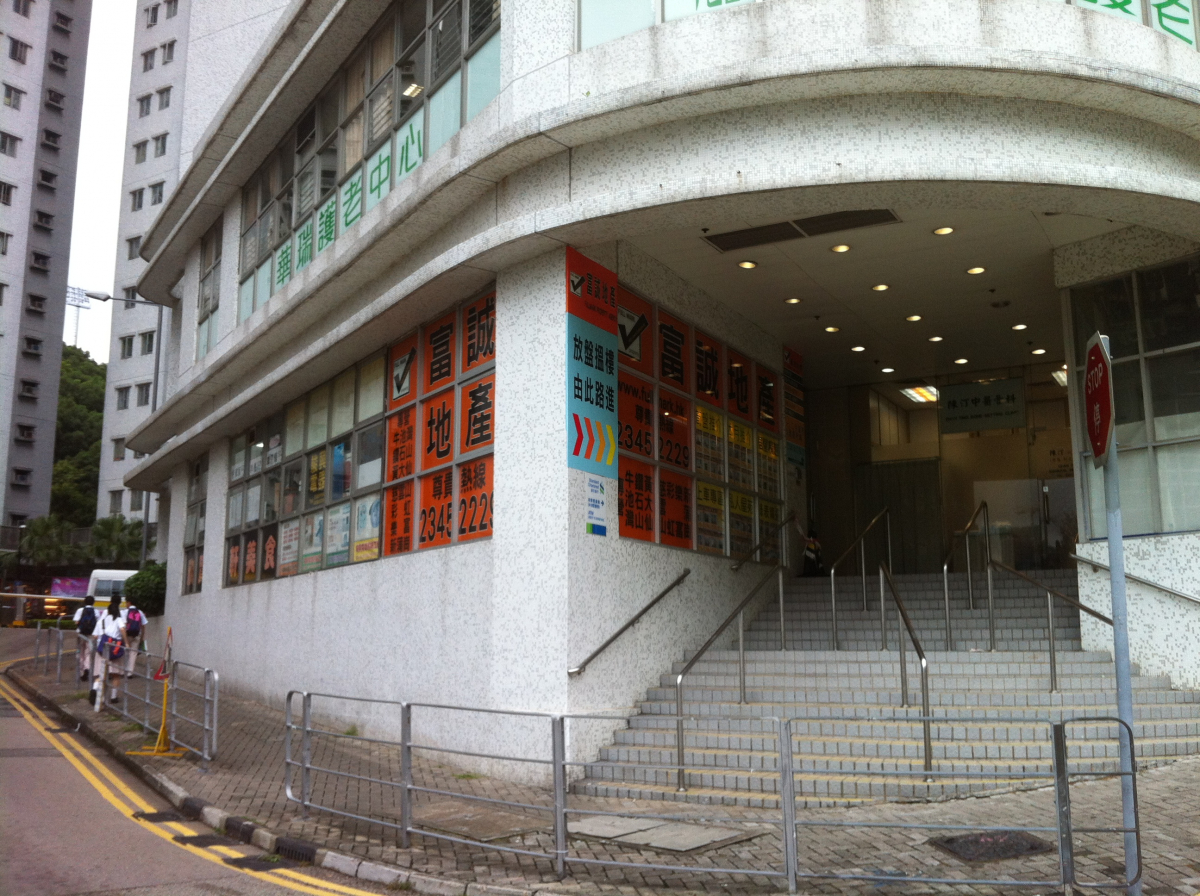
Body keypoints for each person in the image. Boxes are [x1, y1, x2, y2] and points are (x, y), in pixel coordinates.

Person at [90, 601, 126, 705]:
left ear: (108, 611)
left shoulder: (101, 621)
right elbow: (122, 629)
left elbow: (95, 636)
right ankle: (113, 697)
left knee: (101, 675)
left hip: (101, 651)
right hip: (114, 651)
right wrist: (126, 643)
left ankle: (94, 690)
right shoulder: (119, 620)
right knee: (116, 675)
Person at [73, 596, 98, 681]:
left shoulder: (80, 610)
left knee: (80, 652)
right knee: (88, 652)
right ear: (93, 602)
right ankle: (87, 668)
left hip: (81, 634)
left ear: (84, 602)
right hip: (91, 634)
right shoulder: (96, 611)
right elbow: (97, 622)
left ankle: (81, 671)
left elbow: (76, 622)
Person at [120, 600, 147, 678]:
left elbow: (123, 625)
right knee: (133, 653)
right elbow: (143, 626)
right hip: (137, 635)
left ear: (129, 602)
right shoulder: (140, 612)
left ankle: (123, 671)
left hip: (127, 635)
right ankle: (130, 673)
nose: (126, 604)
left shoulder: (124, 612)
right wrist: (142, 637)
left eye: (126, 602)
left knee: (124, 652)